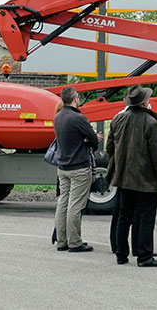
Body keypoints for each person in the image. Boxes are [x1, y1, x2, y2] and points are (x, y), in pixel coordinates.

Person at [105, 85, 157, 267]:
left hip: (123, 176)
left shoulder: (118, 119)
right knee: (146, 217)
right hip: (146, 178)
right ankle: (144, 255)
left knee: (123, 216)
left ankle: (121, 253)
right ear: (144, 102)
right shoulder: (150, 123)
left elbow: (109, 148)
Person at [53, 87, 99, 253]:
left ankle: (62, 240)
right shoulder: (79, 118)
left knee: (63, 203)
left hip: (63, 166)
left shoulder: (58, 117)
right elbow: (93, 139)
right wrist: (90, 142)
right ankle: (75, 242)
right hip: (78, 166)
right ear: (75, 98)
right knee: (75, 205)